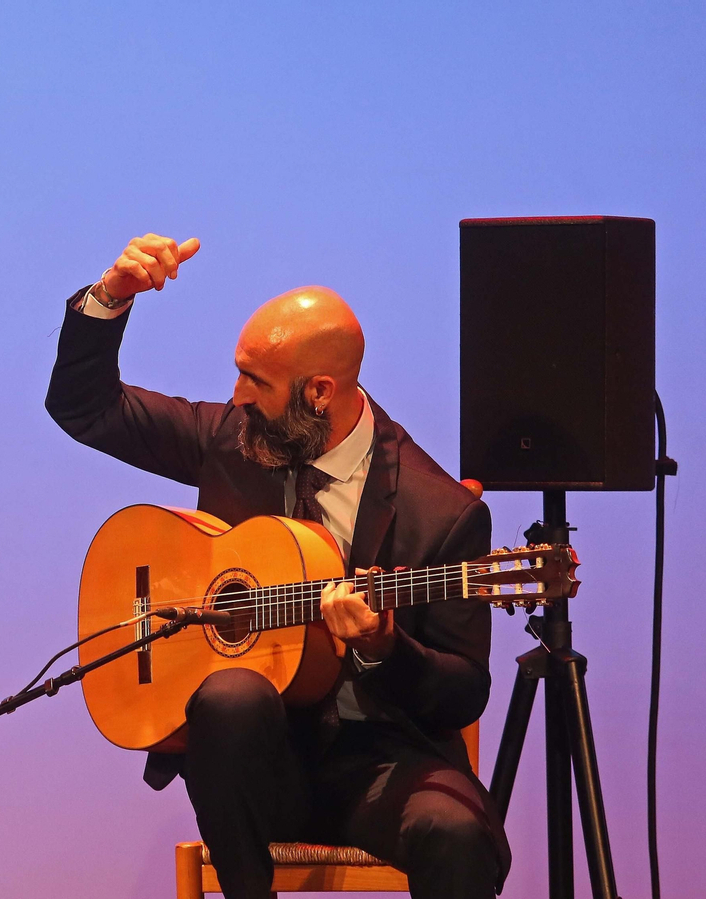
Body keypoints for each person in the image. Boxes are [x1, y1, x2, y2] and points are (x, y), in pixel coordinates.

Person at [45, 234, 510, 899]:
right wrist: (112, 296)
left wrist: (384, 646)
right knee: (229, 695)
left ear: (318, 391)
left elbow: (463, 690)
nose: (236, 395)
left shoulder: (437, 510)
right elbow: (85, 408)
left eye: (253, 380)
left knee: (460, 836)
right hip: (257, 766)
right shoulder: (232, 440)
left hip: (381, 760)